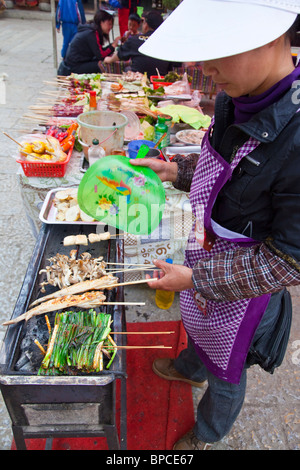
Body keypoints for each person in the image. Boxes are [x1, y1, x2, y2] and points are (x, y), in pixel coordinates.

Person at [131, 0, 300, 450]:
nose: (206, 68)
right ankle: (189, 367)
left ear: (272, 36)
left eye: (220, 50)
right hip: (206, 257)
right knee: (197, 326)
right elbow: (227, 176)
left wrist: (197, 277)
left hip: (246, 292)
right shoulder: (233, 101)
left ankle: (208, 433)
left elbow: (289, 261)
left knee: (228, 368)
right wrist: (175, 172)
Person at [104, 10, 177, 77]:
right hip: (159, 83)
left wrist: (109, 60)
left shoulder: (134, 39)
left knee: (127, 70)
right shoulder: (168, 43)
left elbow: (119, 54)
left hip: (138, 83)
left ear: (146, 25)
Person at [57, 10, 121, 76]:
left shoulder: (92, 30)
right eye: (109, 24)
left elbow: (99, 52)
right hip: (73, 67)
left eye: (111, 25)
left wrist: (113, 45)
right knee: (102, 65)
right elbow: (101, 55)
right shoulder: (91, 33)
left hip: (80, 62)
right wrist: (113, 45)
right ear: (101, 22)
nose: (110, 27)